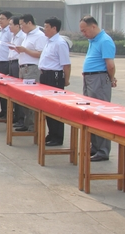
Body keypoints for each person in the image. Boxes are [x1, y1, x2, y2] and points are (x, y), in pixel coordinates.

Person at [79, 15, 117, 162]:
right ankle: (94, 146)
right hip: (90, 78)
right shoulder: (93, 40)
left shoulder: (105, 40)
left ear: (93, 26)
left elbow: (110, 65)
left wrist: (111, 79)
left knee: (100, 114)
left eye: (85, 30)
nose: (83, 34)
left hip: (99, 79)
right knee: (91, 114)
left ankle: (103, 150)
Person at [38, 17, 71, 146]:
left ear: (54, 28)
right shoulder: (48, 41)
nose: (44, 29)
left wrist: (66, 80)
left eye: (46, 27)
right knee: (46, 106)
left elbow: (66, 64)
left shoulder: (60, 43)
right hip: (45, 75)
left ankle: (57, 137)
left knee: (55, 107)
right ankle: (51, 133)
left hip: (55, 77)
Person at [12, 14, 47, 132]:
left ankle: (33, 125)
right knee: (24, 97)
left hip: (32, 69)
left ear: (29, 23)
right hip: (23, 68)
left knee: (31, 97)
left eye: (22, 24)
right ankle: (27, 123)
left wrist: (25, 50)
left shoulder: (39, 36)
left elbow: (40, 54)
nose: (21, 27)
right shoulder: (27, 35)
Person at [0, 11, 13, 118]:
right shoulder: (2, 31)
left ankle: (9, 111)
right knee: (0, 88)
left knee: (5, 88)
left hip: (6, 63)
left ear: (9, 20)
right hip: (0, 62)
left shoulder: (10, 32)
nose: (0, 21)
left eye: (2, 19)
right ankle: (3, 110)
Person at [8, 17, 25, 128]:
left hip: (17, 63)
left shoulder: (22, 36)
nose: (9, 27)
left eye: (11, 24)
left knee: (18, 92)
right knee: (13, 91)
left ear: (17, 26)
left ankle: (21, 118)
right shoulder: (13, 36)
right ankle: (16, 115)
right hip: (11, 62)